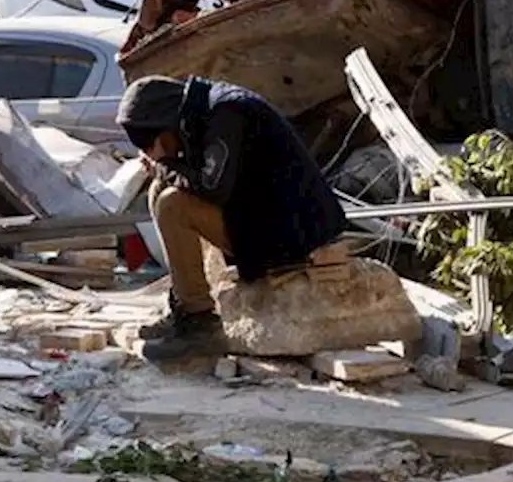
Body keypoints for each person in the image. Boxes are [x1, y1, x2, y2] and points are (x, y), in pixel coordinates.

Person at [116, 75, 348, 360]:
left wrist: (164, 164)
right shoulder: (201, 112)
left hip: (293, 231)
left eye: (155, 142)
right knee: (160, 188)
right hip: (262, 216)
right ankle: (183, 306)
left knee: (172, 204)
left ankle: (201, 323)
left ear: (165, 126)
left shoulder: (227, 113)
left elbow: (212, 187)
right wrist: (164, 166)